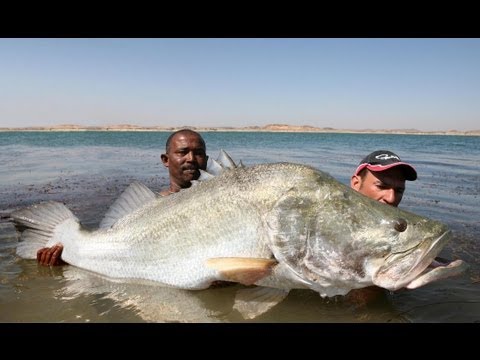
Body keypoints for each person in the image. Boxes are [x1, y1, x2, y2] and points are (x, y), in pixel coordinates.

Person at [36, 129, 209, 266]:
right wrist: (66, 257)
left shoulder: (220, 200)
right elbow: (112, 253)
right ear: (166, 159)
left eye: (199, 153)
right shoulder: (145, 206)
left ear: (207, 160)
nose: (191, 159)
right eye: (182, 152)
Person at [346, 149, 418, 305]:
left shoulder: (399, 228)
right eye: (382, 186)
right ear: (356, 184)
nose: (391, 198)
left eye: (399, 190)